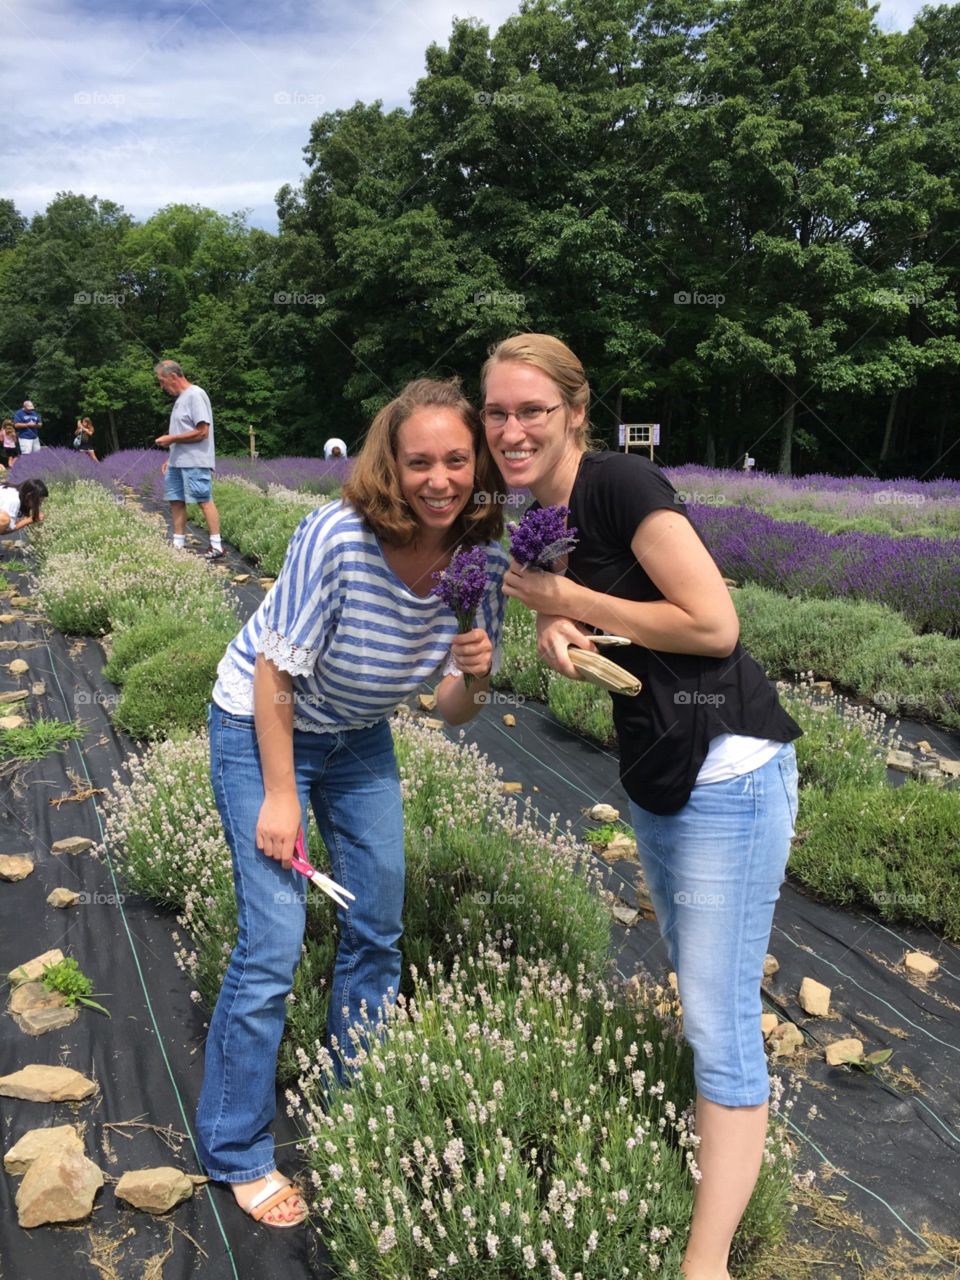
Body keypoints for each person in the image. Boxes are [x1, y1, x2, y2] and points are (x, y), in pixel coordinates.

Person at [480, 334, 801, 1280]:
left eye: (532, 409)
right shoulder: (536, 512)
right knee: (708, 1004)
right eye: (497, 411)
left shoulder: (619, 483)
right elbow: (574, 609)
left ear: (575, 411)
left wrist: (569, 595)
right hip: (664, 772)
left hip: (726, 771)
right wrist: (554, 623)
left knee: (719, 1019)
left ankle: (706, 1264)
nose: (511, 428)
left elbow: (714, 624)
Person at [196, 377, 508, 1228]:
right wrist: (278, 796)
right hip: (264, 722)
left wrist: (476, 675)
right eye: (419, 462)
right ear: (391, 465)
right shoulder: (338, 536)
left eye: (456, 459)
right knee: (274, 941)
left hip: (359, 734)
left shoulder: (480, 561)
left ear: (477, 463)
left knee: (377, 921)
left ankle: (350, 1099)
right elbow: (274, 671)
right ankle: (236, 1150)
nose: (439, 478)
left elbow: (451, 707)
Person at [153, 360, 224, 559]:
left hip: (195, 461)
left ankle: (217, 546)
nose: (162, 386)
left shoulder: (196, 395)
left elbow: (202, 432)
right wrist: (171, 456)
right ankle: (178, 545)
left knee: (203, 499)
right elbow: (183, 430)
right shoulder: (181, 399)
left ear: (173, 377)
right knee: (176, 501)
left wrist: (171, 439)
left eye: (162, 381)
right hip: (178, 461)